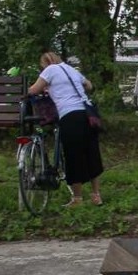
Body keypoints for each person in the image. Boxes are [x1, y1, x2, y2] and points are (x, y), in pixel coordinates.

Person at [27, 51, 103, 207]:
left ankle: (77, 199)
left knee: (74, 156)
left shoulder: (50, 70)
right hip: (88, 115)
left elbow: (33, 90)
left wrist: (38, 89)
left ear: (45, 63)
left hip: (70, 116)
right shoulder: (70, 69)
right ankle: (96, 196)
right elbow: (89, 85)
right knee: (92, 153)